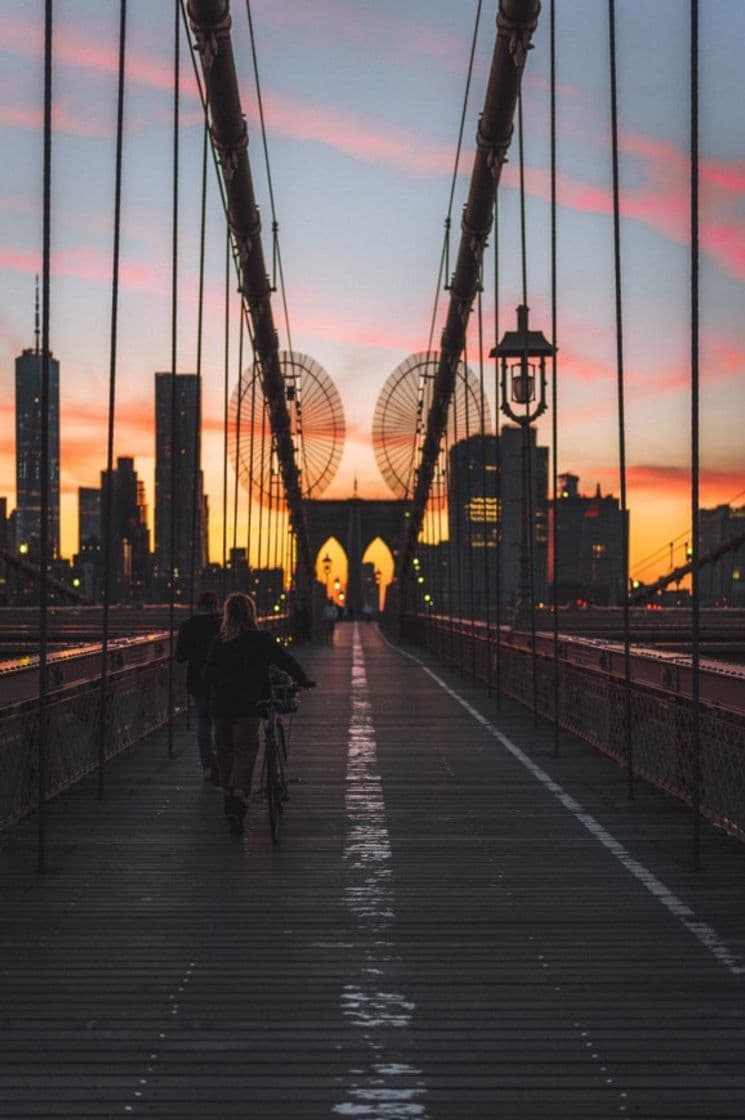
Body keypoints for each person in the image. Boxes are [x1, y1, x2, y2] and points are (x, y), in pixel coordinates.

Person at [203, 592, 315, 835]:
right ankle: (238, 794)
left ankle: (228, 797)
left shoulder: (219, 642)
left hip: (221, 706)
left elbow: (208, 675)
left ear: (228, 614)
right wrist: (302, 679)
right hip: (248, 705)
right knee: (245, 750)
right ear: (251, 614)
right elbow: (284, 660)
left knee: (225, 753)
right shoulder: (261, 639)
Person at [174, 589, 221, 782]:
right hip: (219, 681)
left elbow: (180, 657)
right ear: (215, 606)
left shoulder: (188, 626)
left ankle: (207, 766)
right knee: (221, 722)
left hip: (197, 681)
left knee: (203, 722)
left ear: (198, 606)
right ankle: (221, 762)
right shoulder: (222, 625)